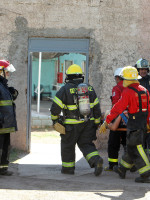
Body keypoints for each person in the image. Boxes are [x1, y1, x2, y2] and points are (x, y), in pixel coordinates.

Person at [100, 66, 150, 183]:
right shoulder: (144, 90)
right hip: (142, 124)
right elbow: (148, 109)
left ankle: (146, 173)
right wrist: (147, 123)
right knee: (132, 147)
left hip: (134, 125)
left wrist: (107, 121)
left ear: (126, 79)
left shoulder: (128, 92)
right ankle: (122, 169)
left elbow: (117, 108)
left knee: (137, 148)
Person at [50, 64, 103, 176]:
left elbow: (55, 108)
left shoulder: (65, 89)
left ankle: (68, 169)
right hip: (88, 123)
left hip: (70, 126)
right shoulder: (90, 88)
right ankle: (96, 160)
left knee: (68, 146)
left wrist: (55, 121)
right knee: (86, 144)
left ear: (68, 77)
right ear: (81, 77)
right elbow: (97, 108)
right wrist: (97, 123)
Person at [105, 68, 127, 171]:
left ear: (117, 77)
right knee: (127, 143)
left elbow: (116, 104)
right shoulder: (131, 87)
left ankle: (113, 165)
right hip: (130, 120)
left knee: (113, 143)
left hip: (118, 120)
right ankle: (128, 165)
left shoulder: (117, 88)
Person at [0, 60, 18, 176]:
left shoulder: (3, 86)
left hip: (5, 125)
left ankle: (3, 169)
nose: (8, 74)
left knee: (5, 147)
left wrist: (12, 94)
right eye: (6, 72)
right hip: (1, 124)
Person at [135, 58, 150, 158]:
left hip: (149, 112)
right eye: (141, 69)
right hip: (138, 113)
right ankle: (142, 157)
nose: (143, 71)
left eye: (145, 69)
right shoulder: (135, 81)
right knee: (141, 135)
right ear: (138, 70)